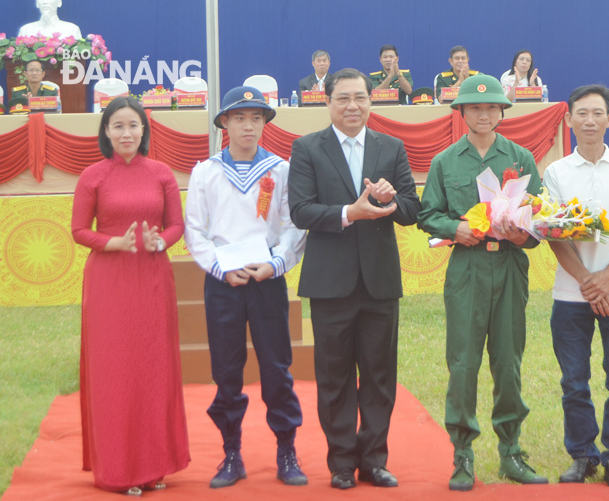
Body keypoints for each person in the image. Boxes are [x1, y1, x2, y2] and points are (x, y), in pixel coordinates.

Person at [288, 68, 421, 490]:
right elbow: (301, 211)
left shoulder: (391, 147)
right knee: (335, 375)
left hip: (379, 282)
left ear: (371, 100)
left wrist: (389, 199)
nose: (352, 106)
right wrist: (350, 213)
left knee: (380, 375)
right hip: (330, 284)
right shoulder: (308, 148)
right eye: (343, 98)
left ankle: (374, 459)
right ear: (326, 101)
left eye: (360, 98)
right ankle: (342, 462)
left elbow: (411, 212)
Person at [417, 74, 547, 491]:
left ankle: (510, 450)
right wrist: (454, 227)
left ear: (502, 111)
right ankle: (462, 454)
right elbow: (427, 215)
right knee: (463, 362)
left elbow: (539, 222)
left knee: (508, 361)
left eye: (491, 107)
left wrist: (521, 233)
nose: (484, 114)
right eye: (475, 108)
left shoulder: (521, 158)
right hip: (467, 268)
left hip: (508, 266)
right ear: (462, 112)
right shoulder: (445, 162)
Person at [184, 86, 308, 489]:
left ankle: (286, 449)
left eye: (257, 118)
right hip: (224, 282)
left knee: (276, 367)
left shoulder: (280, 169)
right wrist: (219, 268)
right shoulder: (206, 171)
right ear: (224, 123)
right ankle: (231, 452)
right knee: (226, 369)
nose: (249, 126)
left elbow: (293, 224)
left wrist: (277, 263)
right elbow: (195, 231)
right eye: (240, 118)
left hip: (266, 280)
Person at [71, 96, 189, 496]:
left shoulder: (161, 173)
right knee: (115, 371)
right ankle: (118, 469)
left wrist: (160, 241)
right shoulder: (93, 176)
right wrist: (112, 243)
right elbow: (79, 231)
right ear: (106, 131)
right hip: (109, 282)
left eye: (133, 125)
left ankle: (155, 464)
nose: (126, 133)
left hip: (153, 278)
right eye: (118, 126)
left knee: (153, 368)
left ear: (144, 130)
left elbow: (176, 225)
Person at [543, 85, 609, 488]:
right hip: (571, 294)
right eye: (581, 113)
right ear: (568, 120)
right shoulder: (556, 172)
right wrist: (588, 281)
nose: (589, 120)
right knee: (574, 380)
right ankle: (582, 454)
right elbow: (553, 234)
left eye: (597, 113)